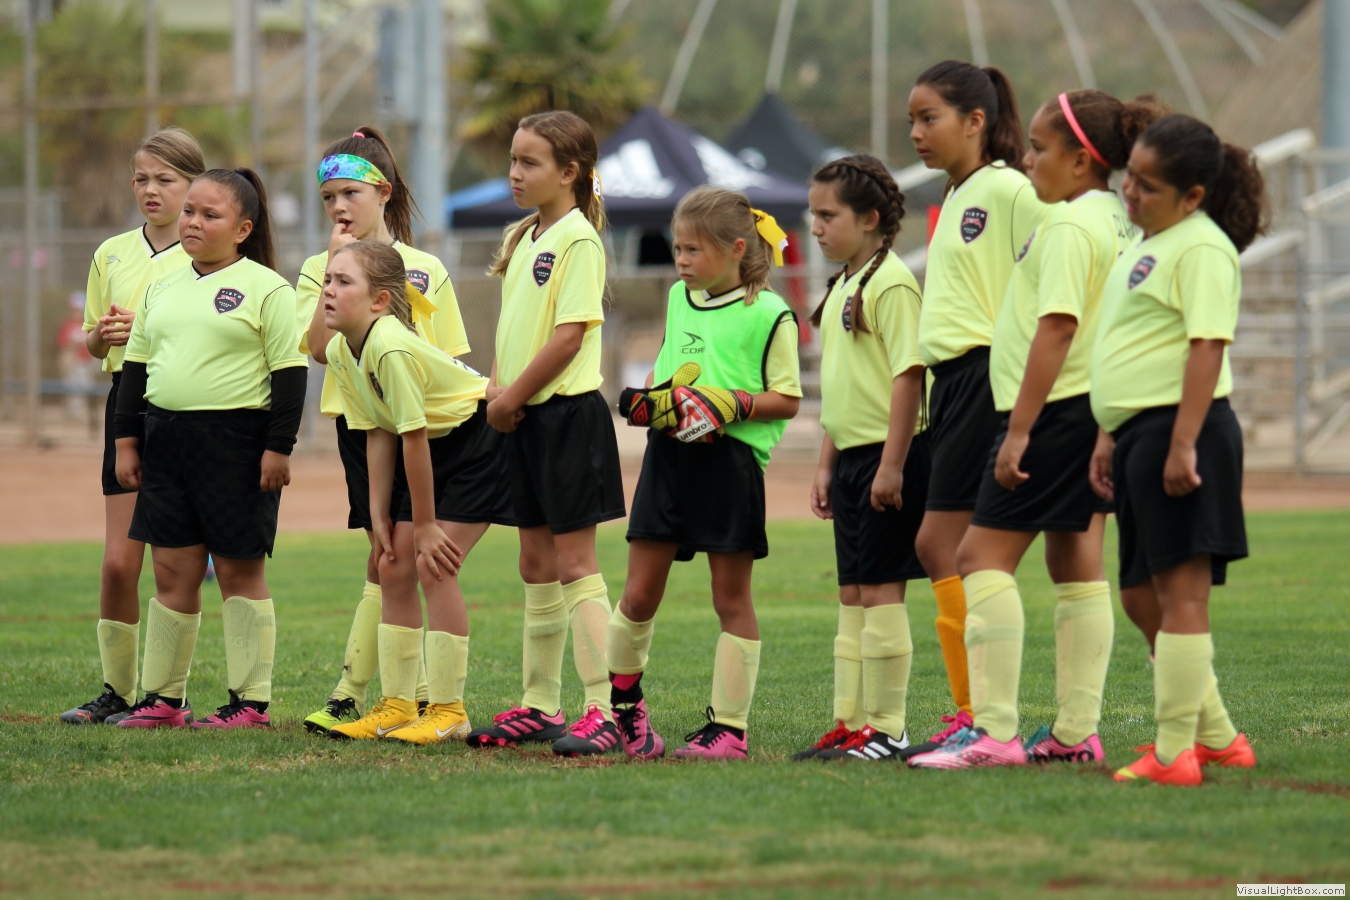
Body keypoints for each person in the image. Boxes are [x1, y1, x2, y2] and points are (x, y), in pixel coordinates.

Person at [908, 91, 1165, 770]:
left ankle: (993, 734)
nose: (1027, 159)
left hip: (1054, 411)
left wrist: (1019, 429)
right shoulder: (1119, 220)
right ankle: (1076, 734)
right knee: (1076, 564)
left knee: (978, 558)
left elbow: (1056, 328)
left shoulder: (1069, 225)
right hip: (1094, 409)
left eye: (1041, 149)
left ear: (1081, 161)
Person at [1090, 115, 1262, 786]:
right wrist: (1108, 434)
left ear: (1192, 196)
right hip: (1139, 434)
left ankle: (1172, 754)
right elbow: (1129, 344)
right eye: (1129, 176)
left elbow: (1206, 345)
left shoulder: (1203, 248)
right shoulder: (1150, 243)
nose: (1130, 192)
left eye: (1148, 185)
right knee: (1140, 595)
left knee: (1182, 597)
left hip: (1183, 433)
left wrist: (1183, 443)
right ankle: (1218, 738)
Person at [112, 168, 307, 730]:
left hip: (237, 445)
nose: (193, 222)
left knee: (238, 573)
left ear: (243, 229)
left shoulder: (268, 288)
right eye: (190, 212)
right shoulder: (161, 288)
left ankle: (250, 703)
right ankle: (164, 700)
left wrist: (278, 448)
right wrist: (127, 442)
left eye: (210, 214)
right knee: (172, 573)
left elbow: (289, 375)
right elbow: (135, 372)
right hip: (165, 441)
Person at [610, 186, 800, 760]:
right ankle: (624, 711)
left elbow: (787, 399)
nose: (682, 260)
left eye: (693, 249)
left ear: (737, 249)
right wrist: (656, 400)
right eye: (678, 248)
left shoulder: (770, 313)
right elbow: (668, 369)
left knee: (731, 598)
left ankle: (729, 730)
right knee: (638, 593)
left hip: (729, 466)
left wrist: (731, 404)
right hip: (669, 458)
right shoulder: (678, 297)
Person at [298, 127, 475, 734]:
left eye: (350, 193)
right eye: (328, 198)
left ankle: (390, 697)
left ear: (384, 192)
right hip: (367, 424)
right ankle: (390, 697)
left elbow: (448, 358)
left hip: (425, 427)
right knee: (385, 556)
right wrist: (332, 266)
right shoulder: (319, 269)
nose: (339, 207)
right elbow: (318, 349)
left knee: (413, 559)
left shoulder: (425, 269)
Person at [465, 110, 626, 757]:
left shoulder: (579, 239)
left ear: (569, 172)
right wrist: (498, 389)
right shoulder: (524, 235)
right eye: (513, 159)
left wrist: (513, 397)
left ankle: (605, 711)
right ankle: (540, 704)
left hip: (564, 416)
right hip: (522, 416)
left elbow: (568, 338)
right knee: (534, 564)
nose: (514, 172)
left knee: (574, 563)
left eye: (529, 162)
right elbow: (517, 331)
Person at [902, 60, 1047, 758]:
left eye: (928, 118)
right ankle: (974, 714)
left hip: (988, 377)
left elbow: (1050, 271)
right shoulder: (960, 193)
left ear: (976, 121)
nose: (916, 132)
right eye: (911, 120)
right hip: (954, 383)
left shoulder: (1009, 188)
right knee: (944, 546)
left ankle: (980, 718)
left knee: (948, 546)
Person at [320, 241, 509, 745]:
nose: (329, 290)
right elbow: (377, 432)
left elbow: (413, 435)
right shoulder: (340, 349)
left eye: (344, 281)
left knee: (434, 565)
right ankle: (398, 707)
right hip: (431, 448)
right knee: (391, 564)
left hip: (476, 442)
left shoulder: (389, 345)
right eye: (328, 279)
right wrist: (378, 515)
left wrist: (424, 525)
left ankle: (448, 710)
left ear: (380, 300)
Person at [60, 128, 205, 726]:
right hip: (126, 402)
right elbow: (93, 345)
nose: (151, 190)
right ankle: (116, 693)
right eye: (142, 179)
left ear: (194, 185)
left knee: (176, 563)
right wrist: (103, 336)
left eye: (166, 180)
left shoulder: (208, 257)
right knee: (120, 563)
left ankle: (167, 695)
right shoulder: (111, 253)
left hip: (186, 405)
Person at [792, 156, 928, 763]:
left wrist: (892, 465)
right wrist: (826, 463)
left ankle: (888, 729)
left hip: (886, 457)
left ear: (869, 219)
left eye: (829, 215)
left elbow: (908, 376)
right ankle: (850, 725)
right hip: (850, 457)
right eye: (813, 215)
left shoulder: (890, 283)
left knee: (879, 591)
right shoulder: (846, 282)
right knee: (851, 594)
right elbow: (845, 387)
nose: (816, 227)